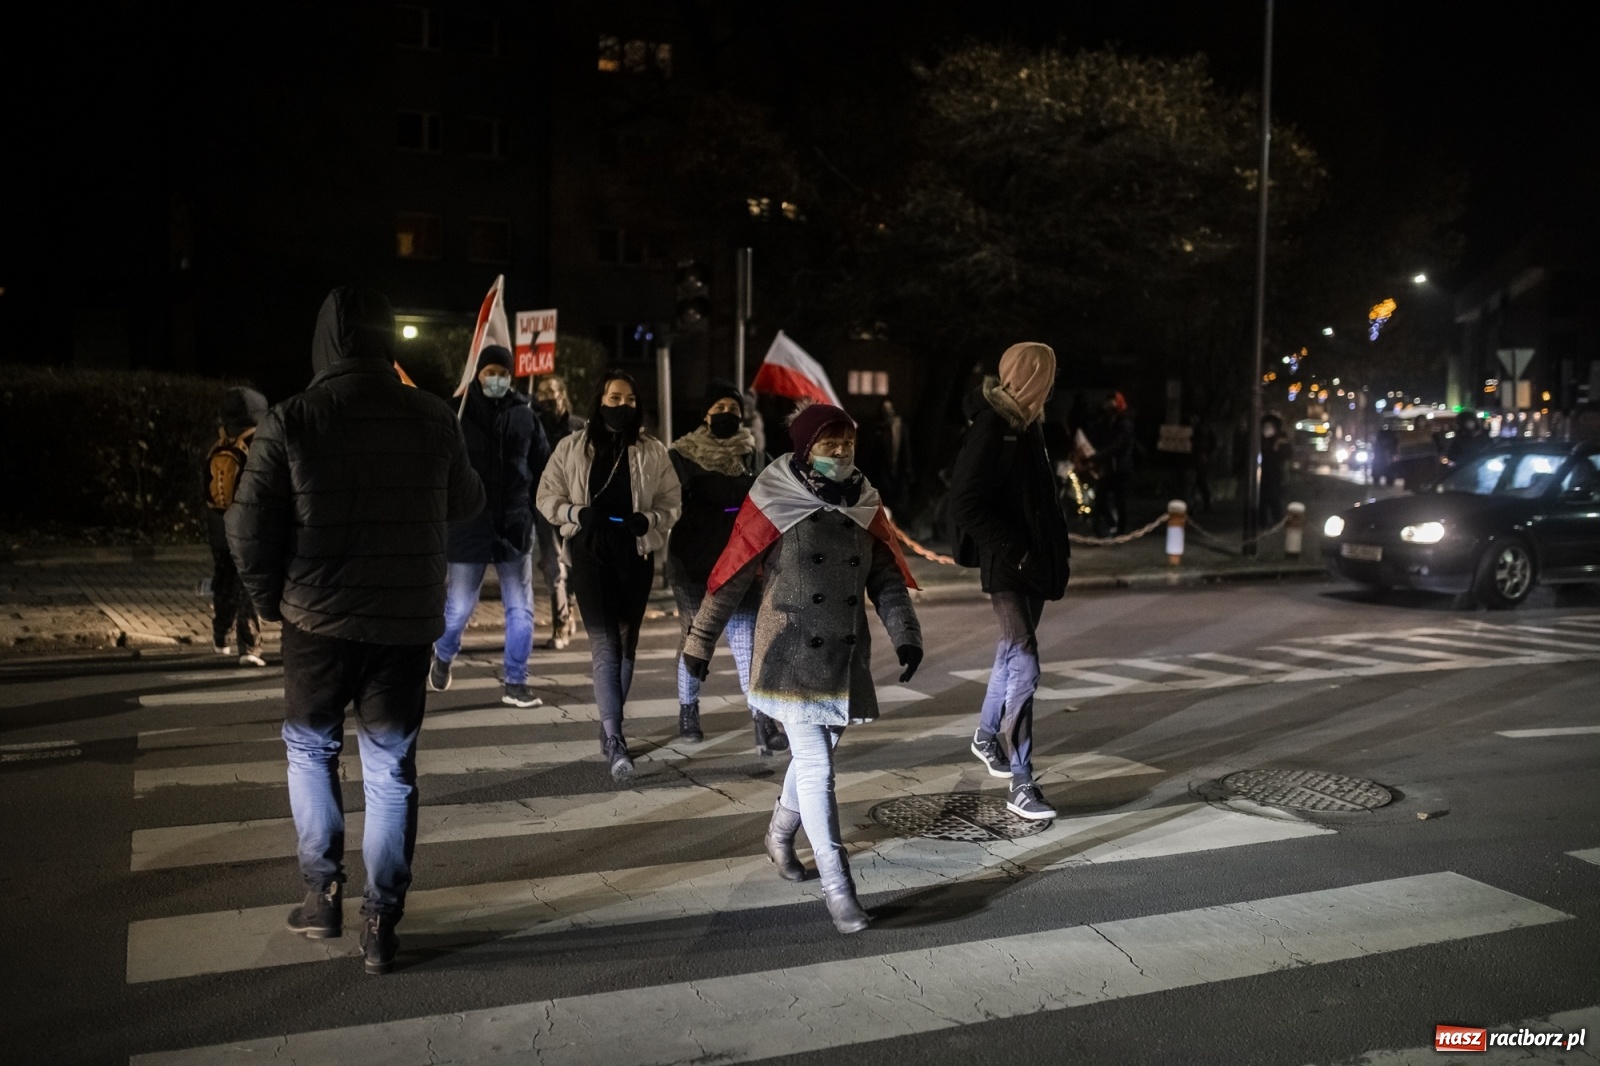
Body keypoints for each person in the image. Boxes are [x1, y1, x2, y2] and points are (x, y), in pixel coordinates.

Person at [226, 287, 484, 975]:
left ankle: (322, 894)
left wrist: (270, 600)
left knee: (310, 752)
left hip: (314, 620)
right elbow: (467, 502)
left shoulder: (294, 417)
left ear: (323, 349)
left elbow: (248, 529)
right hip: (402, 626)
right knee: (391, 770)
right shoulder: (430, 416)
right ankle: (382, 918)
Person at [683, 402, 923, 934]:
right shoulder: (775, 499)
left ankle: (777, 833)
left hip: (843, 655)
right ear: (804, 448)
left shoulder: (864, 502)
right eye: (828, 446)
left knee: (819, 755)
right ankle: (840, 889)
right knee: (817, 767)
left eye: (847, 446)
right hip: (788, 652)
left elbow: (885, 577)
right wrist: (698, 644)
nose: (839, 455)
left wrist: (905, 635)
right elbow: (733, 575)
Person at [946, 343, 1071, 822]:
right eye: (1048, 374)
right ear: (1030, 376)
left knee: (1010, 653)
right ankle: (1022, 781)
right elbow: (965, 503)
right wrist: (1015, 550)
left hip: (1033, 565)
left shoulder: (1028, 423)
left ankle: (984, 736)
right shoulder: (994, 425)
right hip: (1009, 566)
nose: (1052, 383)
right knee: (1025, 660)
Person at [537, 370, 681, 782]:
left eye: (630, 400)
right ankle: (616, 739)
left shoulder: (652, 450)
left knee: (626, 643)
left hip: (634, 555)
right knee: (605, 646)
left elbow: (673, 501)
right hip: (590, 553)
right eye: (615, 398)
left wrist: (651, 519)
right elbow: (547, 495)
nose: (622, 406)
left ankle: (608, 722)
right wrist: (574, 513)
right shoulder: (572, 447)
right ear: (600, 400)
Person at [428, 346, 551, 708]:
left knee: (521, 608)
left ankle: (516, 681)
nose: (496, 378)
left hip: (513, 527)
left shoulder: (525, 417)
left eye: (502, 372)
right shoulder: (457, 413)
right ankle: (444, 654)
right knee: (460, 606)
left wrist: (540, 512)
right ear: (477, 374)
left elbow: (542, 467)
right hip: (468, 526)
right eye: (489, 372)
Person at [666, 381, 783, 753]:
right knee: (694, 638)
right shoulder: (680, 456)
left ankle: (762, 721)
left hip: (742, 564)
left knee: (747, 642)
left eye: (733, 409)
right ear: (705, 414)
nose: (727, 415)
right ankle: (688, 709)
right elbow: (669, 504)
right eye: (719, 408)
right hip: (694, 564)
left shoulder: (755, 457)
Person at [202, 386, 269, 667]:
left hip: (218, 527)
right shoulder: (258, 444)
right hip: (248, 530)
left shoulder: (216, 443)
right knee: (248, 586)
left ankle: (220, 638)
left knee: (223, 582)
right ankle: (249, 647)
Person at [533, 375, 585, 648]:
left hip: (574, 508)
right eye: (540, 392)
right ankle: (560, 624)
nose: (545, 397)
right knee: (555, 567)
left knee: (574, 565)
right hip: (544, 506)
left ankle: (571, 606)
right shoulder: (534, 424)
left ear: (562, 394)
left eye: (549, 391)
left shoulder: (577, 427)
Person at [860, 398, 914, 519]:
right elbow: (872, 453)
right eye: (884, 410)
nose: (887, 412)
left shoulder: (901, 427)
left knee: (899, 503)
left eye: (889, 409)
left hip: (898, 471)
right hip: (882, 473)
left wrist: (907, 470)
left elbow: (906, 449)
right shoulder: (878, 428)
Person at [1259, 413, 1292, 526]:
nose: (1267, 430)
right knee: (1261, 499)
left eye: (1270, 427)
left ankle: (1277, 521)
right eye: (1265, 427)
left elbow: (1286, 455)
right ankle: (1262, 521)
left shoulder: (1280, 441)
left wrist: (1277, 449)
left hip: (1274, 475)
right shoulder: (1259, 441)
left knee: (1274, 499)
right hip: (1261, 475)